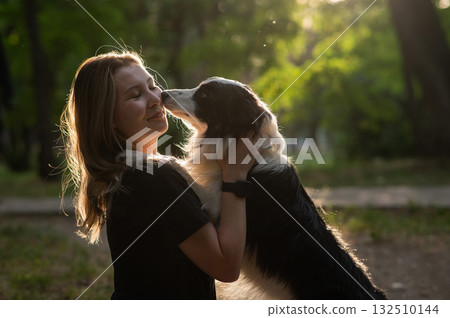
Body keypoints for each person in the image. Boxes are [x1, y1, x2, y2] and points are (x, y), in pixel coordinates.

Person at [60, 51, 256, 299]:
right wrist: (235, 176)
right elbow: (227, 267)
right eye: (136, 95)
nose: (156, 98)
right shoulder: (155, 178)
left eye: (152, 86)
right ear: (108, 118)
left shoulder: (131, 173)